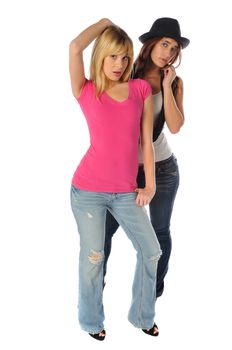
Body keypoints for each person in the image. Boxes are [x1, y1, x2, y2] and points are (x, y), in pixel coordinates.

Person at [69, 18, 162, 341]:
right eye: (113, 56)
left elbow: (146, 142)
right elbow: (75, 46)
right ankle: (91, 322)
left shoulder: (140, 89)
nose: (120, 64)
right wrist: (104, 23)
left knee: (151, 251)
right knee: (94, 257)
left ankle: (141, 315)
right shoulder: (86, 89)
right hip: (88, 191)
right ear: (102, 55)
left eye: (125, 57)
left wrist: (149, 184)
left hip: (126, 192)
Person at [104, 18, 190, 298]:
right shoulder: (127, 73)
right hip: (125, 169)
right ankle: (96, 286)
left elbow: (176, 126)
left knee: (160, 231)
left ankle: (153, 289)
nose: (168, 52)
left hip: (163, 169)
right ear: (151, 44)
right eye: (164, 44)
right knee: (105, 230)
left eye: (174, 48)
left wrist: (167, 87)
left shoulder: (175, 83)